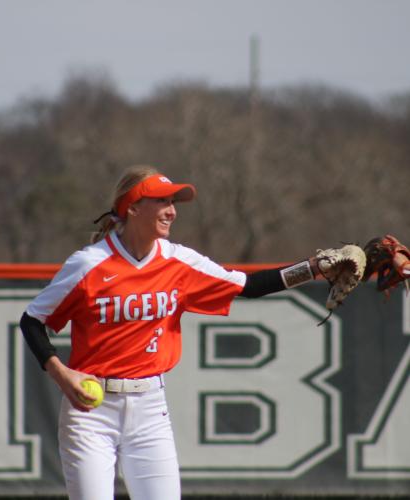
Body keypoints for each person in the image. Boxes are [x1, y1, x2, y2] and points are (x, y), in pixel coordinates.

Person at [19, 165, 322, 500]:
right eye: (162, 201)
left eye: (173, 202)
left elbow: (248, 286)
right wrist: (60, 373)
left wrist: (314, 267)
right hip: (91, 414)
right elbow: (33, 320)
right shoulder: (89, 264)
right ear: (132, 208)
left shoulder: (178, 261)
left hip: (150, 408)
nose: (172, 211)